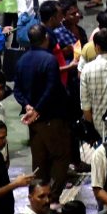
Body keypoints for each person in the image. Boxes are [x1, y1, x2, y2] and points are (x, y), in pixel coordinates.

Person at [15, 26, 70, 195]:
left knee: (39, 160)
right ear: (46, 37)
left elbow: (17, 90)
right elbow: (51, 88)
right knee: (60, 156)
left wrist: (27, 106)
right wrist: (37, 109)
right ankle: (52, 197)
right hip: (51, 117)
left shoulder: (22, 60)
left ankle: (38, 196)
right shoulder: (50, 60)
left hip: (33, 121)